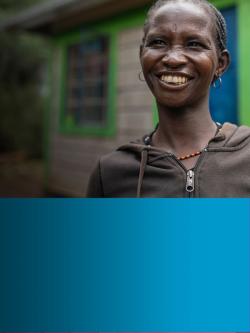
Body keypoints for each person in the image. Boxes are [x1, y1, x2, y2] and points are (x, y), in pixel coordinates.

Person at [86, 0, 250, 197]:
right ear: (141, 55)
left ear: (221, 64)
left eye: (194, 44)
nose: (173, 58)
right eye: (158, 42)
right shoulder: (110, 173)